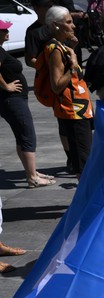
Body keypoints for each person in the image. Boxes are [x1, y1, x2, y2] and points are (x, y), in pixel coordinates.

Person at [0, 19, 55, 188]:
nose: (7, 32)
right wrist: (6, 86)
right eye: (4, 30)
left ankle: (31, 171)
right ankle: (32, 177)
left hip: (13, 100)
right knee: (27, 134)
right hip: (11, 100)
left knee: (21, 136)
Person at [43, 5, 93, 178]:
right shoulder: (55, 50)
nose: (73, 26)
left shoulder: (62, 46)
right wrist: (72, 66)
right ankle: (84, 201)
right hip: (73, 110)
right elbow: (56, 84)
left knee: (85, 157)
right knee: (83, 162)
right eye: (69, 22)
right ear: (56, 25)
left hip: (79, 108)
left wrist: (72, 50)